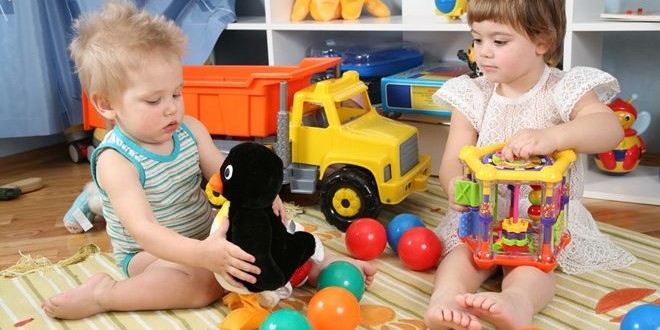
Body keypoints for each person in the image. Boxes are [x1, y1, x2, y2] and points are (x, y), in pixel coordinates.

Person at [42, 0, 376, 320]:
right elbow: (145, 232)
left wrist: (262, 195)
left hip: (208, 232)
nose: (171, 107)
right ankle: (105, 294)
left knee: (279, 232)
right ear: (106, 104)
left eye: (176, 92)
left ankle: (325, 263)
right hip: (152, 256)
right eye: (154, 100)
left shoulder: (189, 130)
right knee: (202, 285)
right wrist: (203, 255)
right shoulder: (116, 161)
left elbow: (226, 175)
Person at [424, 0, 636, 329]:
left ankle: (517, 301)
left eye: (499, 41)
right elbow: (454, 159)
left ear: (542, 42)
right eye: (477, 39)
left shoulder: (563, 89)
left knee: (532, 267)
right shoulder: (473, 94)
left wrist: (553, 136)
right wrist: (453, 185)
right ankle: (446, 298)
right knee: (460, 256)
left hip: (544, 219)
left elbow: (608, 129)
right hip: (483, 214)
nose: (483, 52)